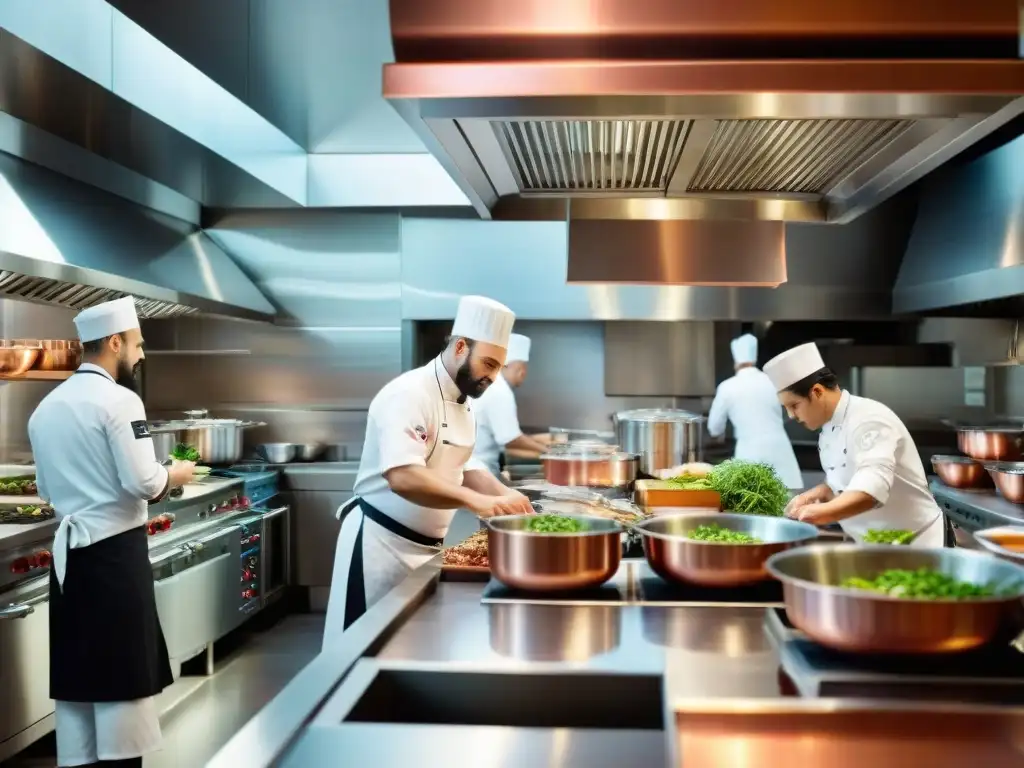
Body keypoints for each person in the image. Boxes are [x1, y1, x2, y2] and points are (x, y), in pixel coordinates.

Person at [28, 296, 195, 768]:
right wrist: (175, 475)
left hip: (70, 563)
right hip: (115, 561)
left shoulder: (46, 408)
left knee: (78, 687)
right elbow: (143, 481)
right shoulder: (121, 400)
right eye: (138, 345)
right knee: (122, 688)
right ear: (115, 342)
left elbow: (43, 487)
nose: (141, 355)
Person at [322, 295, 534, 647]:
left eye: (498, 368)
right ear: (461, 347)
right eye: (489, 364)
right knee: (356, 655)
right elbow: (403, 476)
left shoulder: (465, 403)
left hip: (427, 552)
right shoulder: (409, 393)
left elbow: (463, 463)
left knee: (403, 654)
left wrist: (504, 493)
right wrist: (474, 501)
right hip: (379, 547)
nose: (493, 378)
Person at [762, 341, 949, 547]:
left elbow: (871, 489)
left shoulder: (868, 420)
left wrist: (821, 514)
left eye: (794, 405)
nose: (791, 415)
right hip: (876, 546)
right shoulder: (828, 428)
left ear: (817, 392)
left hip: (917, 543)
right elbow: (846, 482)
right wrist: (821, 493)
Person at [706, 333, 803, 489]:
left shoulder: (727, 387)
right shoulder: (772, 380)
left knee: (752, 501)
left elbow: (714, 428)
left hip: (749, 453)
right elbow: (791, 410)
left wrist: (719, 435)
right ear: (754, 359)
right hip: (780, 450)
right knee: (787, 504)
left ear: (736, 362)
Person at [471, 333, 550, 476]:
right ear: (518, 368)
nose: (524, 373)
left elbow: (507, 436)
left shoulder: (489, 383)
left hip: (474, 468)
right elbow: (510, 439)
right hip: (478, 470)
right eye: (523, 367)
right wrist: (549, 452)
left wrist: (539, 443)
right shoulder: (500, 390)